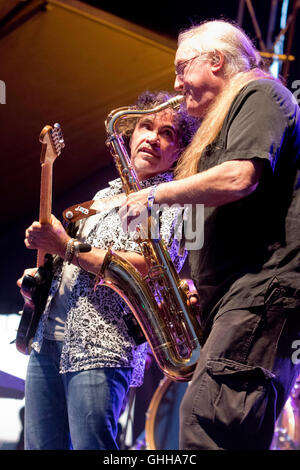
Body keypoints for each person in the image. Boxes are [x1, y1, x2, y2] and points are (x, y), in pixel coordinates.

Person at [120, 20, 300, 450]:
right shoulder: (213, 130)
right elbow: (202, 218)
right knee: (223, 427)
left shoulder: (260, 93)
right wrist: (191, 283)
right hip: (235, 298)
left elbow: (240, 178)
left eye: (183, 68)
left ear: (216, 61)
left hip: (263, 288)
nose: (176, 82)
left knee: (206, 422)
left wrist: (155, 196)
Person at [17, 90, 198, 450]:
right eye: (146, 126)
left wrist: (65, 246)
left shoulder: (173, 200)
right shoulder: (101, 198)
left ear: (179, 152)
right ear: (129, 135)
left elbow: (151, 268)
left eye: (168, 135)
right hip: (47, 341)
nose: (153, 138)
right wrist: (38, 281)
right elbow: (70, 264)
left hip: (102, 347)